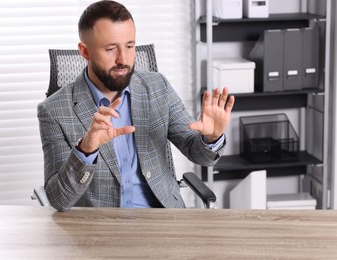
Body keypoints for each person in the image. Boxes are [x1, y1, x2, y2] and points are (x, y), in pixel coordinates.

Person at [37, 0, 235, 212]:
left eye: (130, 46)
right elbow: (58, 200)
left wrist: (211, 138)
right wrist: (86, 150)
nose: (123, 59)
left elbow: (199, 155)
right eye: (111, 48)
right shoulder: (54, 110)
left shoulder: (157, 86)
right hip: (100, 230)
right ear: (85, 52)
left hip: (163, 220)